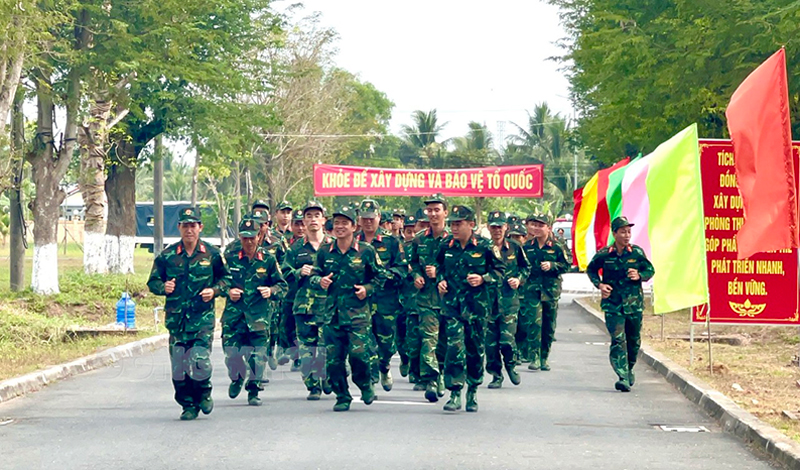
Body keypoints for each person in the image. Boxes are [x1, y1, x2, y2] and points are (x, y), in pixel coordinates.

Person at [147, 207, 228, 421]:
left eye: (193, 225)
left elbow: (226, 280)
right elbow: (153, 282)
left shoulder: (212, 254)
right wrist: (163, 287)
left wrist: (214, 290)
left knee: (199, 360)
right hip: (177, 321)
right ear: (179, 228)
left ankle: (204, 391)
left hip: (202, 320)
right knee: (179, 369)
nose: (189, 230)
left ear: (200, 227)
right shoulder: (168, 256)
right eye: (185, 226)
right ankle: (188, 405)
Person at [311, 206, 387, 412]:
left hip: (358, 315)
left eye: (345, 223)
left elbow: (381, 277)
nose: (340, 227)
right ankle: (342, 396)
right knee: (334, 361)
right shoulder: (325, 251)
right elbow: (313, 275)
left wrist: (367, 289)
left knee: (359, 355)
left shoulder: (366, 251)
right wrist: (320, 281)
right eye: (337, 223)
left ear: (354, 226)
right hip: (332, 315)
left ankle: (364, 385)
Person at [435, 205, 505, 412]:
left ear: (471, 225)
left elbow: (500, 271)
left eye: (459, 224)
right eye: (452, 224)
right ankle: (455, 391)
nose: (455, 228)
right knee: (454, 348)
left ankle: (473, 389)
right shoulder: (446, 245)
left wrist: (483, 278)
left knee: (475, 350)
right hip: (452, 307)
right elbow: (438, 266)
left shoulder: (485, 246)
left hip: (477, 308)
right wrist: (440, 280)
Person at [221, 216, 287, 406]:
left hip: (258, 317)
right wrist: (228, 290)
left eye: (252, 237)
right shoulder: (230, 257)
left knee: (258, 357)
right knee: (231, 355)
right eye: (244, 238)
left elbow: (282, 286)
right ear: (240, 238)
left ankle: (253, 390)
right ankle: (237, 377)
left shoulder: (267, 259)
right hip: (235, 316)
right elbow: (219, 281)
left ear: (259, 236)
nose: (248, 242)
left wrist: (271, 291)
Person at [586, 216, 655, 392]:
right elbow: (591, 269)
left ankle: (629, 368)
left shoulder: (636, 253)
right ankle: (622, 375)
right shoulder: (605, 254)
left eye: (629, 232)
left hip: (634, 304)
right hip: (613, 304)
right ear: (614, 233)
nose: (626, 235)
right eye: (623, 231)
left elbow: (650, 269)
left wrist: (639, 275)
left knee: (633, 341)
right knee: (618, 339)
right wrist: (600, 284)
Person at [282, 201, 335, 399]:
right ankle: (313, 385)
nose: (313, 219)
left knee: (327, 346)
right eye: (309, 216)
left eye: (316, 215)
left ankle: (327, 376)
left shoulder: (333, 246)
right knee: (306, 349)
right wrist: (298, 272)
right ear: (303, 221)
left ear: (323, 220)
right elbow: (283, 274)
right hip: (304, 306)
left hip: (328, 306)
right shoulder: (295, 249)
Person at [357, 199, 408, 392]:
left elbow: (403, 269)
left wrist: (386, 275)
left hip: (386, 299)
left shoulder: (391, 241)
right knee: (365, 342)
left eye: (372, 218)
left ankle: (384, 366)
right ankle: (369, 381)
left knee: (386, 343)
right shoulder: (353, 241)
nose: (368, 221)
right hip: (361, 300)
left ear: (379, 217)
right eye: (364, 218)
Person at [408, 195, 449, 402]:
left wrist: (440, 274)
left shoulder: (453, 238)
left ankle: (441, 373)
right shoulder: (420, 239)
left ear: (445, 213)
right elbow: (413, 263)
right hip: (426, 300)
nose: (433, 214)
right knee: (428, 341)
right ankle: (432, 380)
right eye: (429, 210)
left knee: (445, 343)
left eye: (436, 210)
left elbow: (462, 266)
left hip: (449, 300)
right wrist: (417, 275)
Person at [519, 214, 569, 371]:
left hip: (550, 291)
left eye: (541, 225)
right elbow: (521, 266)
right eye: (534, 225)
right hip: (532, 290)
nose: (537, 228)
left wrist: (553, 265)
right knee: (534, 322)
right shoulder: (527, 246)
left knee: (548, 324)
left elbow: (567, 264)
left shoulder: (557, 246)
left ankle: (544, 357)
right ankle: (533, 355)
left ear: (549, 227)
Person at [485, 211, 529, 389]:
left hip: (509, 301)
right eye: (493, 227)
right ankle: (496, 375)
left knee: (506, 340)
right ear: (488, 228)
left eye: (500, 226)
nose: (497, 230)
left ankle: (510, 365)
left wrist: (519, 279)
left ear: (506, 228)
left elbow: (526, 268)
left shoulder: (515, 247)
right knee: (491, 344)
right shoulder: (483, 248)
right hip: (487, 302)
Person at [398, 213, 419, 381]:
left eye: (414, 230)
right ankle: (315, 382)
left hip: (419, 301)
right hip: (401, 300)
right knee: (400, 338)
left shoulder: (423, 247)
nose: (411, 235)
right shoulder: (399, 249)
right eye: (408, 231)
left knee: (417, 337)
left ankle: (416, 370)